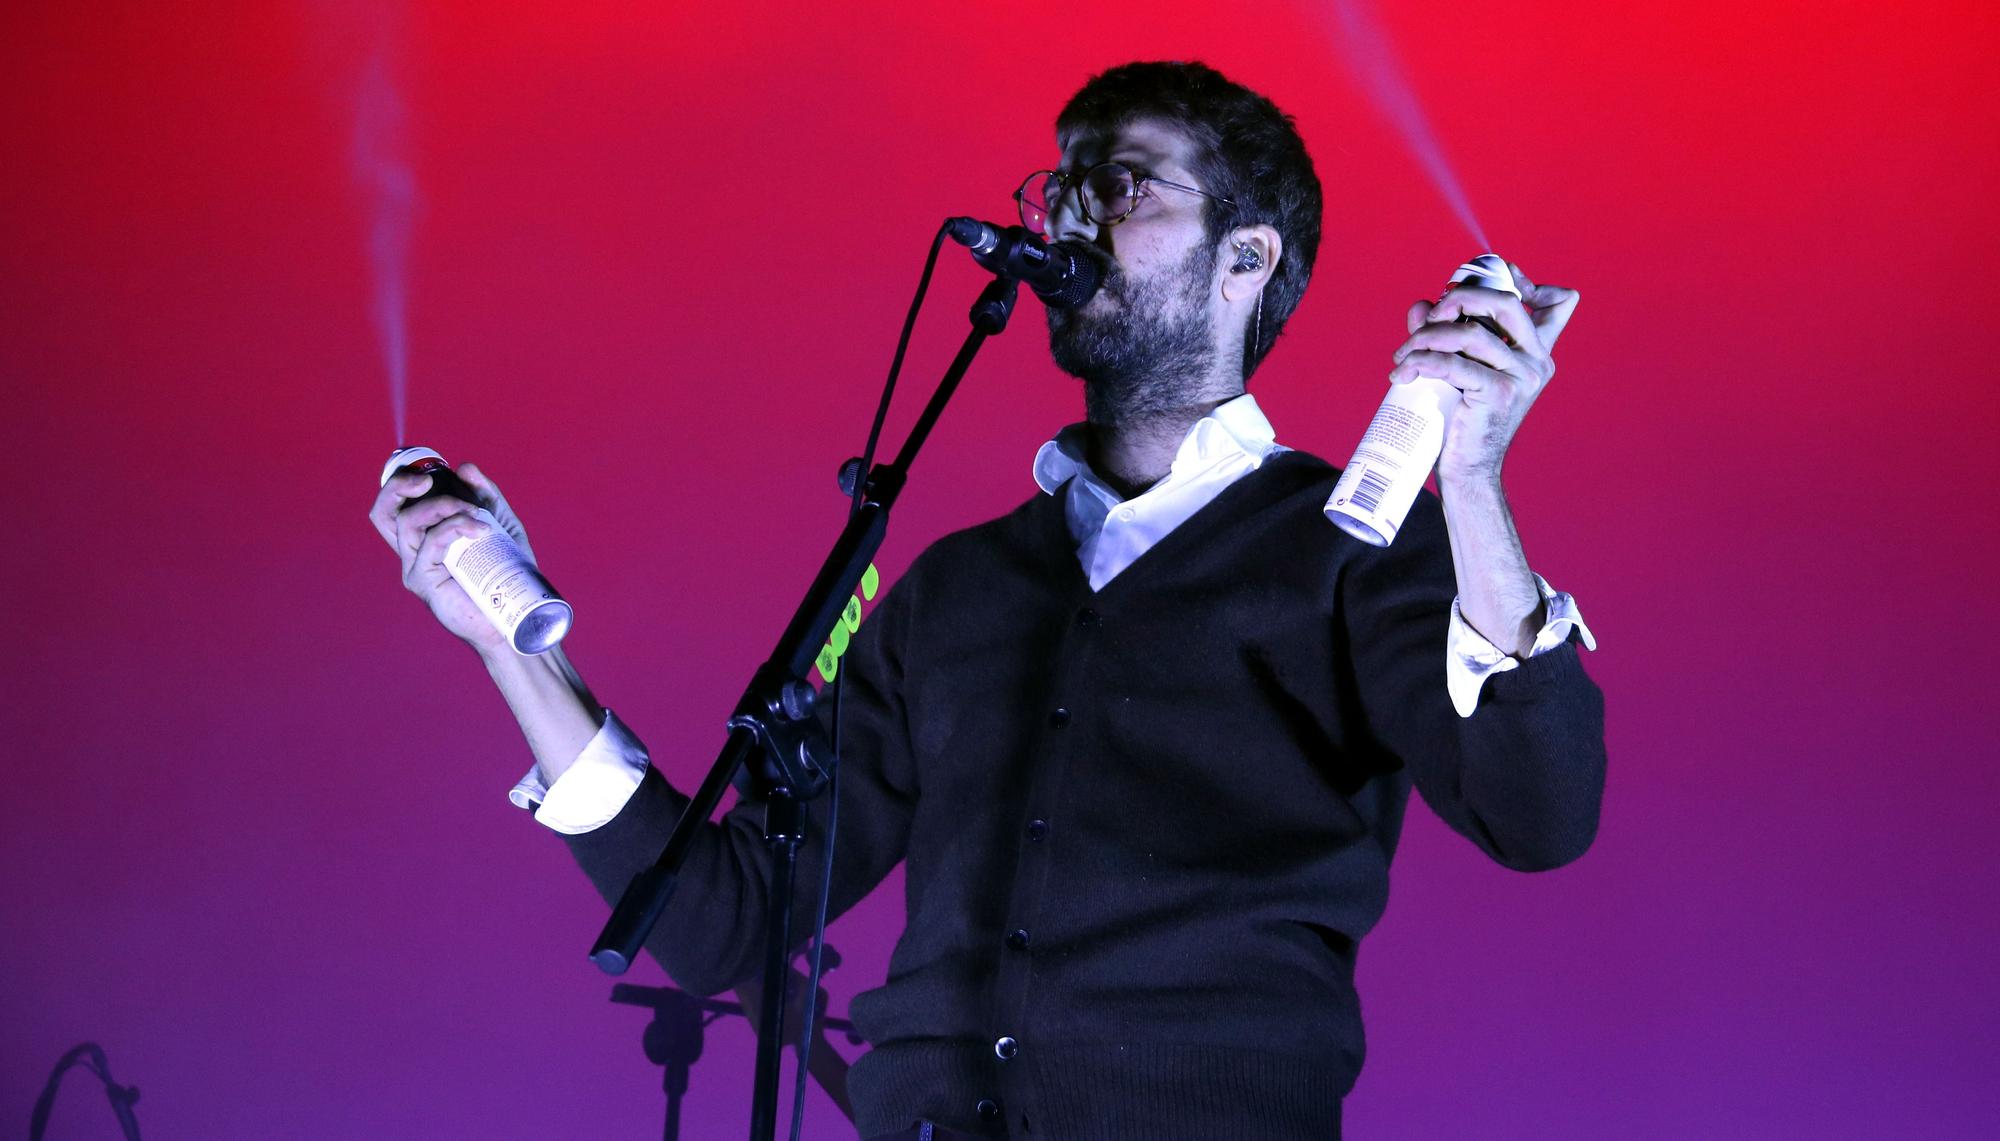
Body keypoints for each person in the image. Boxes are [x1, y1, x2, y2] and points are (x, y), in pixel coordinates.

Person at [369, 61, 1604, 1140]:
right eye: (1062, 184)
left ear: (1247, 254)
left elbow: (1536, 810)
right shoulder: (955, 588)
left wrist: (1473, 477)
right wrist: (504, 647)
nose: (1070, 210)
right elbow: (726, 922)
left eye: (1123, 184)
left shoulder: (1354, 543)